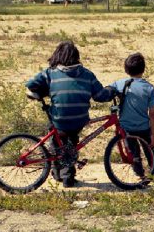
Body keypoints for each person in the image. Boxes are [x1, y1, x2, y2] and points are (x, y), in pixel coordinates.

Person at [25, 40, 113, 187]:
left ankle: (57, 172)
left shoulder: (50, 73)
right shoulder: (87, 74)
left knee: (57, 139)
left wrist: (44, 92)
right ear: (77, 57)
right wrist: (112, 90)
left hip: (59, 119)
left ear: (57, 56)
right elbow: (100, 96)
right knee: (71, 142)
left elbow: (30, 84)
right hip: (79, 120)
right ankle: (68, 176)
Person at [111, 52, 154, 182]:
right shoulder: (149, 88)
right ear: (143, 69)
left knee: (134, 153)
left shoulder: (119, 84)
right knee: (151, 150)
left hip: (126, 127)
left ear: (126, 69)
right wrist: (153, 135)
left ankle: (140, 175)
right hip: (143, 127)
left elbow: (108, 90)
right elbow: (152, 113)